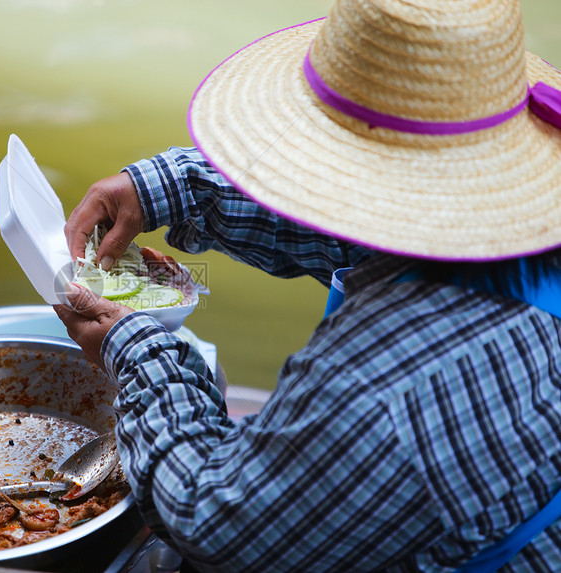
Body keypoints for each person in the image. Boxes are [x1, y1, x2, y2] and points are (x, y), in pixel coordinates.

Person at [53, 0, 561, 571]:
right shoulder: (491, 223)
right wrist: (174, 190)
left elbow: (213, 518)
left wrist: (138, 350)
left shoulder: (382, 385)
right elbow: (352, 236)